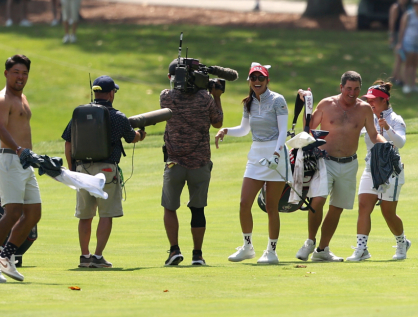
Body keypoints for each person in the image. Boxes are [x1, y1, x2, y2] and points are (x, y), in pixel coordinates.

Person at [295, 71, 386, 262]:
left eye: (356, 89)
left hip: (349, 163)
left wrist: (385, 144)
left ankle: (322, 249)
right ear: (341, 87)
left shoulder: (364, 109)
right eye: (348, 88)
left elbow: (373, 134)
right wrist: (306, 106)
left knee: (337, 207)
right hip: (325, 161)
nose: (352, 93)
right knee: (317, 201)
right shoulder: (327, 104)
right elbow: (309, 127)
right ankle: (310, 241)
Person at [62, 76, 146, 268]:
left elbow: (68, 142)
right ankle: (98, 257)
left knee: (85, 215)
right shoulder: (117, 116)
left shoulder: (79, 114)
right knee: (106, 214)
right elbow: (132, 138)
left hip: (81, 169)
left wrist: (73, 168)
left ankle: (85, 256)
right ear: (110, 94)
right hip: (107, 170)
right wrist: (141, 134)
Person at [215, 63, 291, 264]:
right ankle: (247, 247)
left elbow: (282, 131)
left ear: (267, 80)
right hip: (257, 153)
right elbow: (244, 129)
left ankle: (271, 251)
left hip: (276, 153)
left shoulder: (278, 100)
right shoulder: (248, 102)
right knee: (244, 202)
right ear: (249, 80)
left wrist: (277, 151)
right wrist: (226, 131)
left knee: (271, 206)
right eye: (253, 78)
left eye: (261, 78)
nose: (257, 81)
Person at [0, 55, 42, 283]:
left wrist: (31, 155)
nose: (20, 77)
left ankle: (6, 256)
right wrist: (19, 149)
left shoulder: (22, 99)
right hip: (10, 159)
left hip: (24, 162)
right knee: (13, 211)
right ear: (6, 73)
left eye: (24, 73)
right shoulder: (2, 99)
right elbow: (0, 129)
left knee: (34, 214)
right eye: (16, 72)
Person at [160, 59, 224, 266]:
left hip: (174, 162)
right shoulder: (205, 98)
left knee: (170, 208)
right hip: (200, 162)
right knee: (198, 209)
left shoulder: (166, 97)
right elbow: (218, 122)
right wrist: (216, 96)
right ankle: (198, 255)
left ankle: (174, 251)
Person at [347, 81, 409, 262]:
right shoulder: (367, 117)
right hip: (370, 168)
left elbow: (401, 143)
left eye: (373, 100)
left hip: (392, 171)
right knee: (364, 208)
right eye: (368, 100)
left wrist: (388, 128)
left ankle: (401, 242)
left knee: (388, 213)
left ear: (384, 100)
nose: (369, 103)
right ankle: (361, 249)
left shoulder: (396, 119)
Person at [395, 0, 418, 94]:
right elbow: (402, 29)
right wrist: (400, 43)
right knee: (408, 64)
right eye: (415, 3)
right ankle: (406, 84)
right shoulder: (408, 15)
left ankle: (414, 85)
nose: (417, 5)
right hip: (408, 42)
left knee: (415, 65)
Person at [388, 0, 410, 87]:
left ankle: (395, 77)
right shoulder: (396, 7)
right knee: (399, 57)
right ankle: (397, 78)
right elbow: (392, 22)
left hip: (403, 35)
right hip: (397, 34)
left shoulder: (405, 8)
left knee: (401, 57)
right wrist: (392, 35)